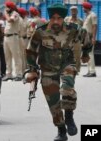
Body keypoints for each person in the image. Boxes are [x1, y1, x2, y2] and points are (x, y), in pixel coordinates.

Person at [24, 3, 92, 141]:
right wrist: (32, 70)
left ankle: (69, 116)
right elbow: (31, 51)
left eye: (59, 18)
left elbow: (87, 40)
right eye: (53, 18)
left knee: (67, 89)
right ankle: (61, 130)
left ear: (63, 18)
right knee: (53, 103)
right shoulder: (40, 31)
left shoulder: (74, 29)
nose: (56, 21)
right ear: (49, 18)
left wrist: (85, 53)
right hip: (47, 69)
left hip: (67, 65)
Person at [2, 1, 23, 81]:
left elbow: (10, 20)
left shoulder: (15, 14)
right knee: (7, 56)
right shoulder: (10, 14)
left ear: (10, 8)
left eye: (7, 7)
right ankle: (9, 74)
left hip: (13, 37)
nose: (6, 9)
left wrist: (6, 14)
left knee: (16, 56)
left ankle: (19, 74)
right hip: (6, 37)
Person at [64, 6, 83, 73]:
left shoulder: (80, 20)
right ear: (70, 11)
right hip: (68, 40)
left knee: (77, 56)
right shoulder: (66, 19)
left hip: (76, 40)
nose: (73, 12)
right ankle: (67, 69)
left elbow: (83, 31)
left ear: (77, 12)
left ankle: (77, 70)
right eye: (72, 11)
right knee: (66, 55)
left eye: (75, 10)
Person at [82, 2, 97, 77]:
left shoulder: (93, 15)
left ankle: (92, 71)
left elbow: (94, 26)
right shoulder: (87, 15)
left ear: (86, 8)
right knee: (87, 53)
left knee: (90, 53)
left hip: (90, 36)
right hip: (86, 37)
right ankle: (89, 71)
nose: (83, 9)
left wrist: (93, 38)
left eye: (83, 7)